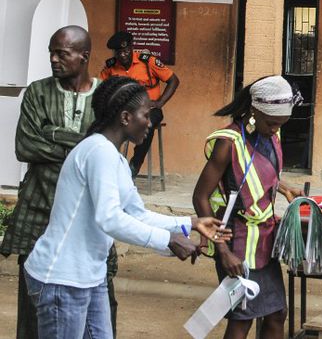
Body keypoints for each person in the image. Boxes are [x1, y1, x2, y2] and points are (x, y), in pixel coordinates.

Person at [23, 76, 229, 339]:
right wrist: (168, 240)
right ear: (125, 117)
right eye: (146, 114)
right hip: (63, 279)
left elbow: (135, 213)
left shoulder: (115, 158)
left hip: (89, 276)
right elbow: (110, 219)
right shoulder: (98, 152)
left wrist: (190, 223)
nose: (150, 121)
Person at [0, 26, 119, 339]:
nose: (53, 59)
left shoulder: (106, 99)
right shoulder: (38, 92)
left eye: (61, 53)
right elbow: (25, 146)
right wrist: (80, 143)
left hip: (88, 217)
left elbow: (105, 152)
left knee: (97, 299)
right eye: (51, 52)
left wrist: (51, 133)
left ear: (84, 56)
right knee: (32, 306)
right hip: (38, 211)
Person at [193, 75, 304, 339]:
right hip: (236, 243)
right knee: (243, 318)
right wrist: (222, 251)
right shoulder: (228, 143)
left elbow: (258, 173)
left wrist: (285, 187)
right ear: (254, 110)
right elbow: (200, 197)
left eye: (280, 124)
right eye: (272, 123)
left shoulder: (270, 135)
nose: (276, 129)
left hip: (264, 240)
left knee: (277, 313)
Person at [100, 30, 179, 176]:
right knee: (104, 126)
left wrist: (160, 102)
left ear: (131, 47)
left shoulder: (147, 61)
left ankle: (133, 167)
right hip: (124, 111)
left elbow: (173, 80)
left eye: (125, 51)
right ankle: (109, 166)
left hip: (149, 109)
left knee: (146, 123)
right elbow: (101, 90)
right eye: (118, 53)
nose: (122, 55)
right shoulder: (111, 68)